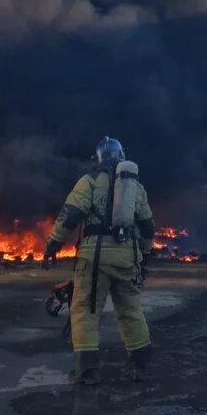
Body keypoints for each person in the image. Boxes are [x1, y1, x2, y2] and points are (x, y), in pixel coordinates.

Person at [43, 136, 155, 386]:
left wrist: (53, 245)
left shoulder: (89, 181)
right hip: (128, 258)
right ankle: (140, 367)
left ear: (98, 159)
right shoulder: (135, 188)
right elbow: (148, 226)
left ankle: (88, 371)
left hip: (94, 259)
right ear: (122, 156)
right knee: (130, 310)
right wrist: (145, 256)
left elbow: (70, 216)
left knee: (85, 310)